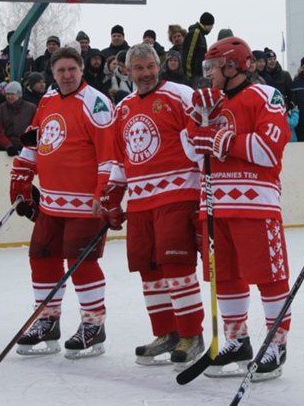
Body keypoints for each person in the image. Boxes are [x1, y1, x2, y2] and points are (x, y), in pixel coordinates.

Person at [186, 36, 292, 380]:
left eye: (212, 67)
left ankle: (276, 344)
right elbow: (191, 153)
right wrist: (199, 119)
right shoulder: (207, 102)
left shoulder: (265, 96)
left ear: (232, 66)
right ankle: (237, 341)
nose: (208, 74)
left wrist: (220, 140)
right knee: (225, 275)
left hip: (255, 204)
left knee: (269, 276)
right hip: (214, 202)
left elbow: (269, 147)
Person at [101, 43, 205, 367]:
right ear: (127, 71)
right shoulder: (124, 108)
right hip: (141, 201)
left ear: (159, 66)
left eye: (150, 67)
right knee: (148, 268)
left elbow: (200, 147)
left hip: (177, 195)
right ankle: (167, 333)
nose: (146, 74)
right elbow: (122, 157)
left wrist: (206, 197)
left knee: (176, 267)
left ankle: (191, 334)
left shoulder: (179, 95)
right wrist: (113, 195)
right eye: (139, 69)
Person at [9, 47, 116, 358]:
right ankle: (47, 320)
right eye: (61, 71)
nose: (67, 75)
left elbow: (109, 153)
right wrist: (21, 176)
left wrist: (103, 192)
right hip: (52, 203)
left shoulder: (95, 103)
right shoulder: (49, 100)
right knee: (41, 257)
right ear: (52, 74)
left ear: (81, 70)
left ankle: (93, 325)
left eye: (72, 69)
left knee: (81, 262)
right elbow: (35, 141)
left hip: (86, 204)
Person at [0, 81, 37, 156]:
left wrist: (28, 144)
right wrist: (8, 145)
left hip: (26, 148)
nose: (9, 96)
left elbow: (35, 128)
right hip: (6, 149)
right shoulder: (1, 109)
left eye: (12, 94)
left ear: (19, 95)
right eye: (7, 94)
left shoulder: (31, 108)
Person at [181, 12, 214, 80]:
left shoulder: (201, 34)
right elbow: (189, 55)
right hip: (193, 75)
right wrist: (188, 75)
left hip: (198, 75)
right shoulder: (196, 33)